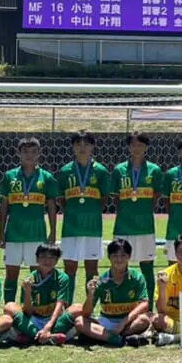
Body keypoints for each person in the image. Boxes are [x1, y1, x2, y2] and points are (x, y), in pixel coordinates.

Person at [0, 137, 58, 304]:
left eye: (33, 151)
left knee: (36, 273)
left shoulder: (46, 177)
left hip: (37, 232)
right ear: (18, 153)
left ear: (39, 154)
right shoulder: (9, 176)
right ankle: (10, 309)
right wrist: (1, 232)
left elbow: (52, 206)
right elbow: (4, 207)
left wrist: (53, 232)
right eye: (25, 151)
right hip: (14, 232)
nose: (29, 155)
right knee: (11, 273)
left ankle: (33, 307)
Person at [110, 131, 163, 309]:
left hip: (145, 226)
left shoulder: (154, 170)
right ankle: (122, 304)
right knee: (120, 267)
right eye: (133, 144)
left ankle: (148, 309)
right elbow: (116, 198)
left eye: (140, 144)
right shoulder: (119, 170)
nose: (137, 148)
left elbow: (156, 195)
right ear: (128, 147)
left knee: (147, 267)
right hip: (123, 226)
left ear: (146, 147)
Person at [56, 130, 110, 304]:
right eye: (78, 144)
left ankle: (89, 307)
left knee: (91, 268)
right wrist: (72, 213)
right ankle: (67, 308)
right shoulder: (65, 171)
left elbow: (104, 199)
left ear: (92, 147)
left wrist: (90, 212)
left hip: (92, 227)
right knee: (69, 268)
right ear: (72, 147)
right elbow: (61, 200)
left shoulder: (100, 171)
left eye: (86, 144)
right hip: (70, 227)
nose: (82, 148)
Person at [75, 238, 152, 346]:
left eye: (123, 256)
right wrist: (91, 294)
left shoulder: (137, 277)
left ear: (129, 257)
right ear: (109, 257)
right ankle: (121, 339)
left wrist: (123, 322)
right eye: (115, 256)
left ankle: (105, 337)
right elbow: (86, 313)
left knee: (143, 320)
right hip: (107, 321)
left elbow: (145, 304)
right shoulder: (101, 280)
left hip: (128, 321)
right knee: (79, 321)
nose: (119, 259)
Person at [3, 244, 81, 346]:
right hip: (34, 320)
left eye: (51, 257)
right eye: (43, 257)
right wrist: (27, 292)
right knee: (9, 307)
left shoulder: (63, 278)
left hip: (54, 320)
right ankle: (47, 337)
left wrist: (48, 326)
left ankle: (33, 337)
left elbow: (59, 305)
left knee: (78, 308)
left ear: (57, 260)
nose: (47, 261)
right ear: (37, 259)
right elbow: (28, 312)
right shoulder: (29, 279)